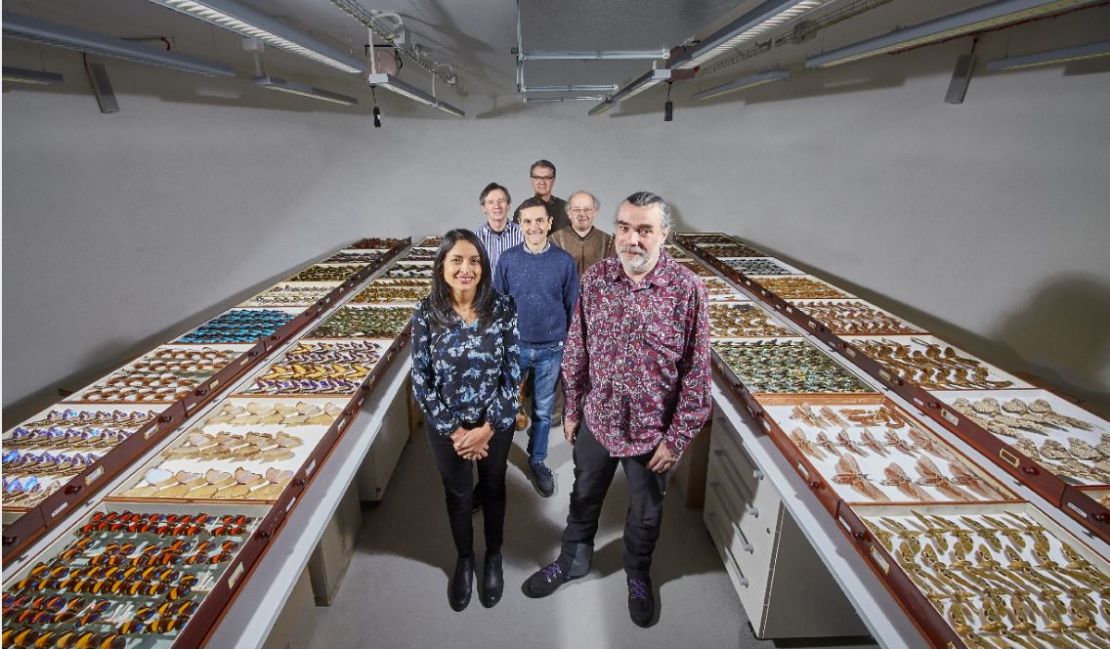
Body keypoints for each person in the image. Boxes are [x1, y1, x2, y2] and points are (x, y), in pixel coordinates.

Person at [521, 191, 711, 628]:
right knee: (583, 496)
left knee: (645, 512)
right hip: (599, 420)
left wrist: (677, 438)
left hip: (653, 432)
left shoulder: (687, 290)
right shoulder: (598, 280)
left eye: (645, 229)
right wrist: (572, 409)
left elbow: (697, 375)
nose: (632, 239)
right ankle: (572, 560)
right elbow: (577, 347)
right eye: (624, 227)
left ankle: (638, 573)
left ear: (665, 234)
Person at [410, 228, 521, 612]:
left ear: (483, 267)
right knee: (458, 496)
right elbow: (421, 380)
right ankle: (465, 559)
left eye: (474, 260)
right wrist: (458, 433)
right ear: (442, 266)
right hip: (448, 429)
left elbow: (513, 372)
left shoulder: (503, 307)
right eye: (456, 260)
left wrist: (487, 429)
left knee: (492, 489)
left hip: (495, 423)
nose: (466, 268)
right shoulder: (426, 312)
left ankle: (492, 556)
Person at [494, 197, 579, 498]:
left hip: (551, 349)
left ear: (549, 223)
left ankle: (537, 460)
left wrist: (567, 344)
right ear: (519, 225)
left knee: (543, 410)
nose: (534, 226)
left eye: (539, 220)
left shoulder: (563, 262)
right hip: (515, 346)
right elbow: (498, 306)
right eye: (527, 221)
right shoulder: (507, 260)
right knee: (505, 408)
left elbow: (573, 306)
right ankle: (496, 466)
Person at [549, 190, 614, 280]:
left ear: (595, 212)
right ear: (568, 213)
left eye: (587, 210)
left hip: (598, 293)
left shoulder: (608, 241)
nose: (582, 214)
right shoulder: (554, 240)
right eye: (576, 210)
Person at [475, 182, 522, 274]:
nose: (497, 206)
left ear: (508, 205)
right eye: (491, 202)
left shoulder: (523, 234)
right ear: (483, 208)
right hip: (486, 288)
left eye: (501, 201)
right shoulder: (475, 238)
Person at [512, 160, 570, 232]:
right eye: (537, 177)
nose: (542, 182)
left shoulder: (566, 209)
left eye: (547, 178)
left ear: (553, 180)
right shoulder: (522, 210)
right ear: (532, 180)